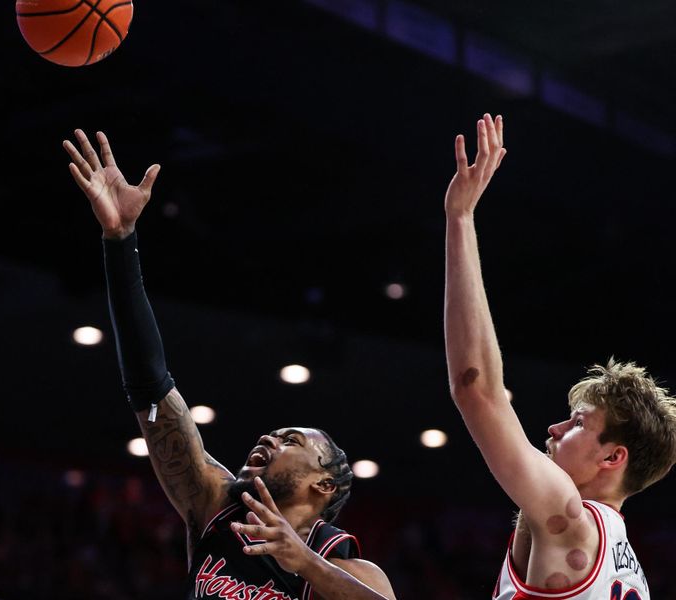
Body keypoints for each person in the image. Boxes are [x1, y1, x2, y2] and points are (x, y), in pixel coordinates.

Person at [62, 129, 396, 600]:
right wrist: (120, 242)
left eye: (291, 441)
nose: (269, 438)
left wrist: (303, 562)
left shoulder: (348, 566)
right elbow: (150, 387)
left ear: (324, 483)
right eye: (275, 434)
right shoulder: (215, 505)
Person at [443, 113, 676, 599]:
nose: (553, 428)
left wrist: (460, 219)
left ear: (613, 457)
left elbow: (477, 389)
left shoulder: (571, 521)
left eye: (576, 423)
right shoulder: (626, 564)